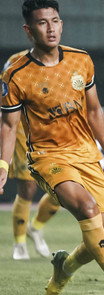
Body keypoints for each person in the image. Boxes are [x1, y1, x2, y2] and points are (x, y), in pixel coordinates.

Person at [0, 0, 104, 295]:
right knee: (86, 207)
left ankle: (65, 267)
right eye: (42, 23)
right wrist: (3, 165)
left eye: (55, 21)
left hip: (87, 154)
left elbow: (94, 111)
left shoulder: (81, 60)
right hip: (48, 157)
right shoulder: (16, 74)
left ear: (61, 24)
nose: (50, 29)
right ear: (28, 30)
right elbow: (10, 125)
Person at [4, 50, 61, 260]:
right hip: (22, 128)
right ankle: (19, 244)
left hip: (53, 129)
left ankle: (36, 227)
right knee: (27, 186)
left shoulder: (66, 59)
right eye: (42, 23)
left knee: (63, 186)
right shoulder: (15, 62)